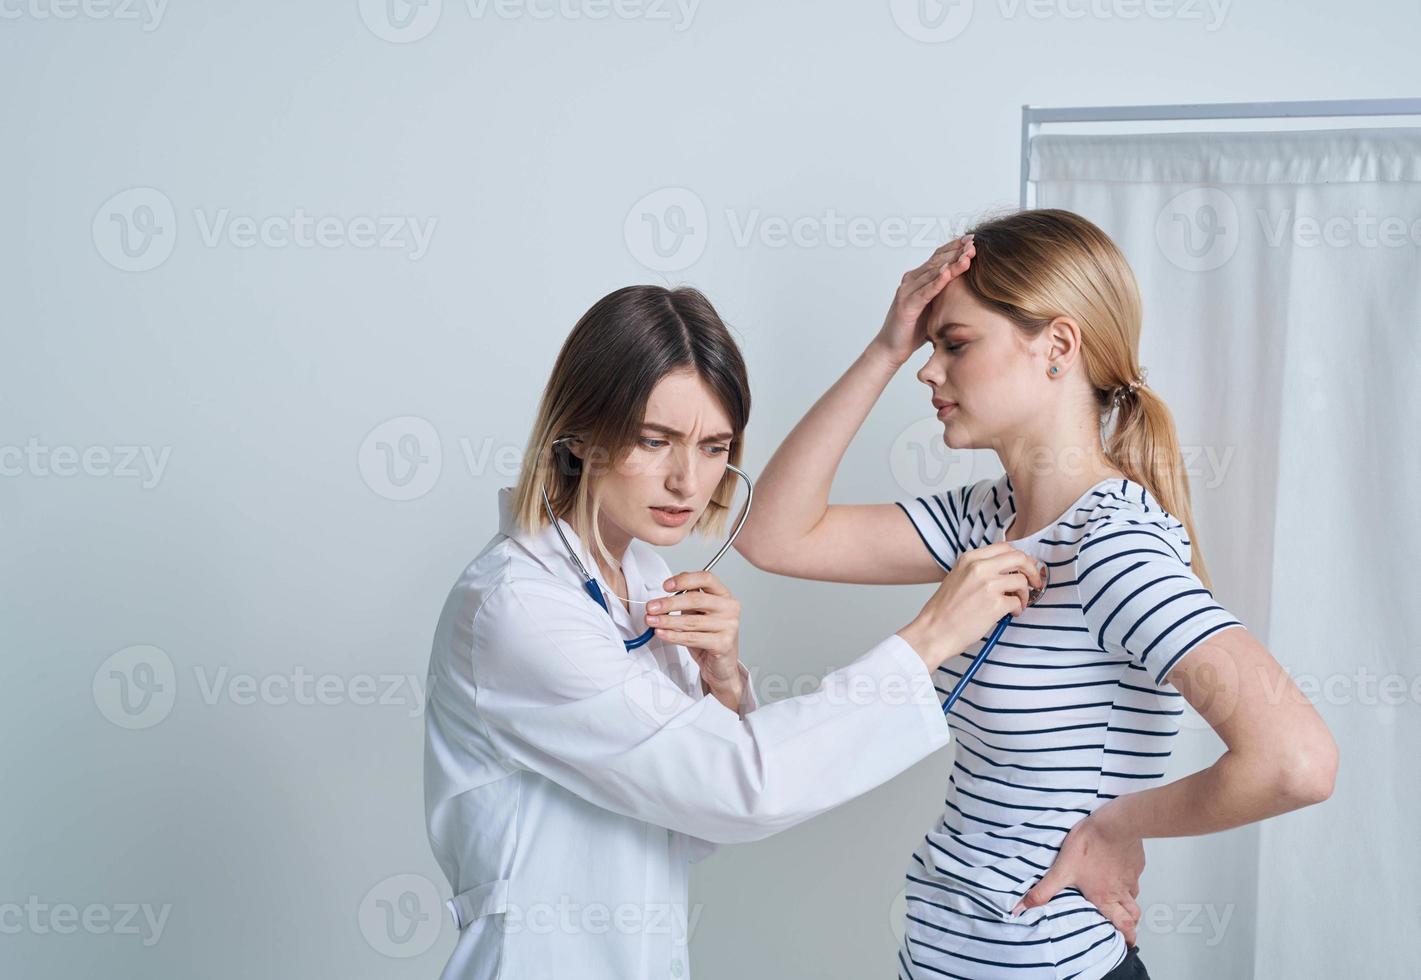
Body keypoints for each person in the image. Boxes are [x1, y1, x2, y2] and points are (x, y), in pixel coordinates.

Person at [733, 210, 1339, 980]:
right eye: (926, 349)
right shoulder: (981, 519)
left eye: (953, 344)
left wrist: (1115, 825)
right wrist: (885, 347)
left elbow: (1295, 761)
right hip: (942, 956)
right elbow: (773, 535)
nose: (928, 371)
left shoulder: (1110, 546)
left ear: (1056, 347)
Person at [422, 283, 1044, 980]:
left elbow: (684, 823)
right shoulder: (517, 608)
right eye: (654, 441)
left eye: (714, 447)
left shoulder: (645, 578)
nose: (687, 480)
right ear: (579, 436)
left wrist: (721, 683)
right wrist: (928, 638)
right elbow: (739, 788)